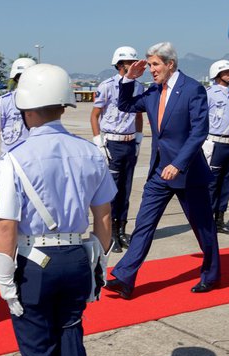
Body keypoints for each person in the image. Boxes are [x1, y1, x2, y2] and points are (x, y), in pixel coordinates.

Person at [0, 63, 116, 356]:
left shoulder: (15, 158)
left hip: (35, 264)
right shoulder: (90, 153)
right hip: (77, 259)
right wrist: (99, 263)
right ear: (63, 106)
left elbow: (5, 225)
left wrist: (4, 281)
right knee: (71, 340)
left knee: (38, 352)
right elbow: (104, 216)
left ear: (25, 108)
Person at [104, 42, 221, 298]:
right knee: (144, 225)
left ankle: (211, 274)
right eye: (149, 65)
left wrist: (178, 164)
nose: (151, 69)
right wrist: (127, 79)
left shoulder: (193, 89)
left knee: (202, 226)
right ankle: (125, 277)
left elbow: (199, 132)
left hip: (188, 172)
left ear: (170, 64)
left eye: (155, 64)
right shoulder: (153, 92)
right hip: (159, 172)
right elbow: (125, 105)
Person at [91, 46, 144, 252]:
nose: (135, 65)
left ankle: (122, 229)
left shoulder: (138, 87)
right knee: (111, 190)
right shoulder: (107, 86)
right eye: (131, 63)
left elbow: (139, 114)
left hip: (129, 142)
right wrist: (99, 143)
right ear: (121, 65)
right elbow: (95, 115)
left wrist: (138, 140)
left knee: (126, 188)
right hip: (111, 143)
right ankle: (111, 231)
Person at [204, 60, 229, 235]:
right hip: (215, 144)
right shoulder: (209, 94)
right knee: (212, 184)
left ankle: (220, 220)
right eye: (227, 72)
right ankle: (207, 221)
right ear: (217, 75)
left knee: (227, 183)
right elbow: (200, 118)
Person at [0, 57, 36, 175]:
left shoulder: (44, 101)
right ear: (16, 78)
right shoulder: (4, 102)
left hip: (36, 162)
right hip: (11, 163)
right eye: (20, 77)